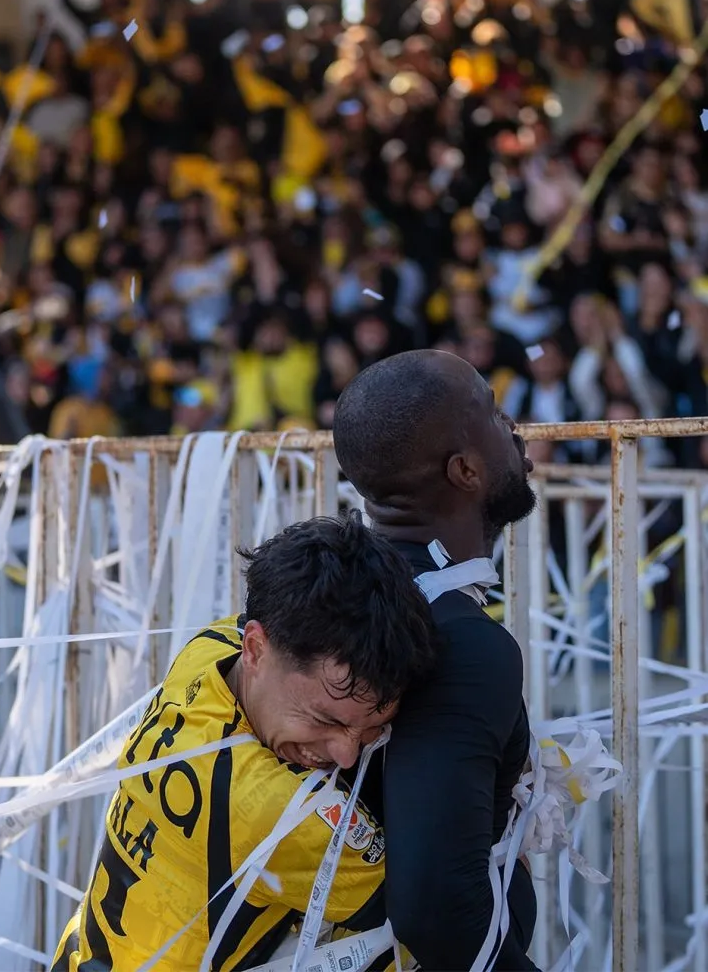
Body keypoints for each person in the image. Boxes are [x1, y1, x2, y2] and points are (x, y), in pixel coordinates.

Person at [51, 512, 436, 972]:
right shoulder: (278, 813)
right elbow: (438, 915)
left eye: (374, 728)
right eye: (324, 720)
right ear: (256, 650)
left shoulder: (211, 649)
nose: (347, 753)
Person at [333, 349, 540, 971]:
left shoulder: (332, 586)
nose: (514, 428)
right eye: (495, 414)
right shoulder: (463, 645)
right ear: (465, 471)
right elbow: (437, 913)